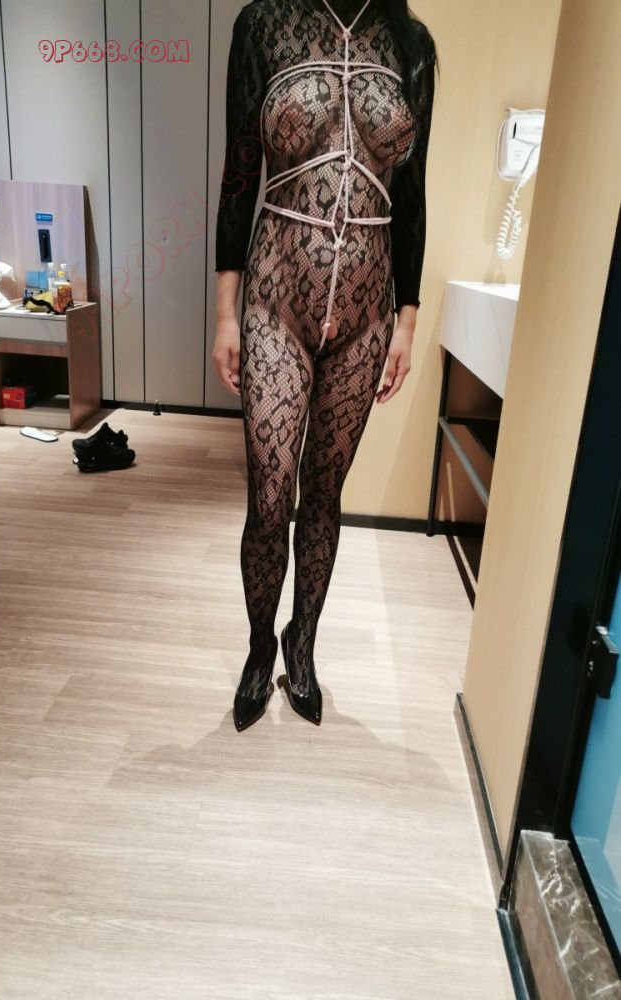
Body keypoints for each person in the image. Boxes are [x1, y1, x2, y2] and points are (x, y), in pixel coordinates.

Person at [211, 0, 438, 731]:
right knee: (269, 496)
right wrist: (225, 313)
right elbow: (238, 177)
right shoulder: (264, 24)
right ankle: (258, 648)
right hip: (275, 299)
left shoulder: (410, 43)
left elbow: (412, 194)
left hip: (369, 313)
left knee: (324, 494)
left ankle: (300, 643)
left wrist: (407, 320)